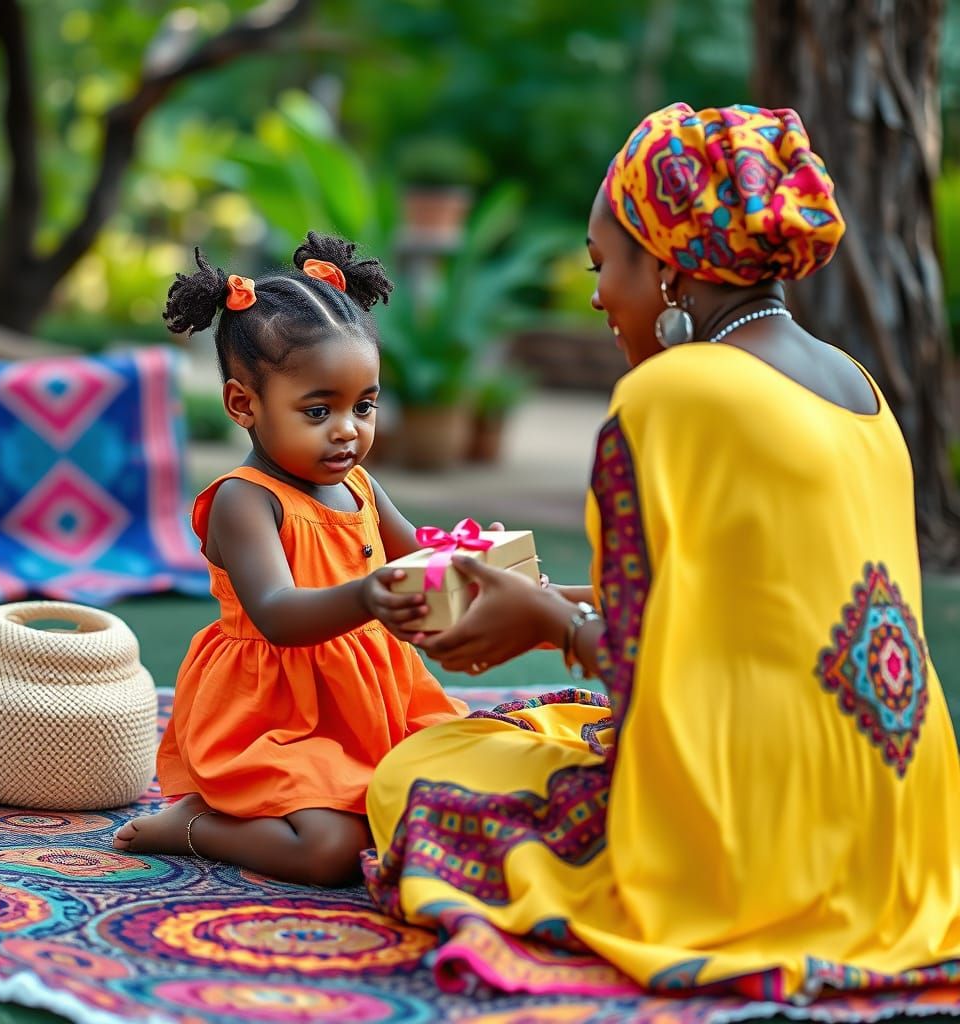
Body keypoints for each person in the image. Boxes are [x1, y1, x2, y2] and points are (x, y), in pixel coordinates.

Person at [363, 103, 960, 1005]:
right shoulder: (859, 387)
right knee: (541, 727)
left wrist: (547, 623)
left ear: (671, 265)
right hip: (905, 824)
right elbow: (752, 610)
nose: (600, 296)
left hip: (749, 832)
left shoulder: (670, 396)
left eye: (606, 266)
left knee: (421, 768)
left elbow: (643, 675)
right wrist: (537, 601)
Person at [112, 232, 467, 886]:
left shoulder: (359, 483)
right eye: (318, 410)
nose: (348, 430)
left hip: (366, 695)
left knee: (452, 793)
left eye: (364, 406)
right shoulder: (244, 502)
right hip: (275, 712)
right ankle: (197, 824)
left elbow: (420, 553)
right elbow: (276, 614)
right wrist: (367, 596)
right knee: (331, 852)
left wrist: (470, 556)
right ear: (244, 406)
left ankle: (339, 790)